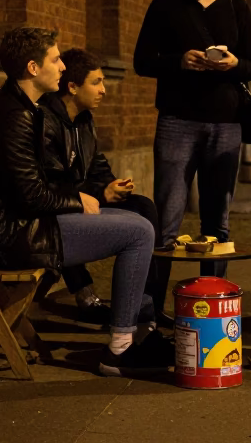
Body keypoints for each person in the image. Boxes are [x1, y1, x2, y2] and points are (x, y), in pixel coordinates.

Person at [0, 27, 166, 376]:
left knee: (140, 215)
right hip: (9, 235)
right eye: (55, 60)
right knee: (139, 232)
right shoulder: (14, 116)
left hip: (22, 225)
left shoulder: (25, 108)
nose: (63, 67)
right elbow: (30, 195)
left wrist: (83, 196)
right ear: (33, 68)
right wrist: (78, 200)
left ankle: (140, 330)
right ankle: (120, 350)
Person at [133, 0, 251, 281]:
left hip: (226, 122)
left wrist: (233, 63)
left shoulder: (237, 6)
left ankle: (212, 301)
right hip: (177, 120)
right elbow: (142, 61)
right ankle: (153, 307)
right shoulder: (165, 5)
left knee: (217, 221)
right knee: (167, 219)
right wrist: (179, 62)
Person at [38, 48, 167, 325]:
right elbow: (52, 185)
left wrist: (113, 185)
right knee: (136, 227)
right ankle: (89, 296)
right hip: (58, 207)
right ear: (72, 87)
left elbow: (97, 165)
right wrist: (100, 193)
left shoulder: (84, 120)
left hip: (86, 197)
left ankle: (148, 306)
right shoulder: (45, 121)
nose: (103, 90)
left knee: (144, 207)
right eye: (96, 82)